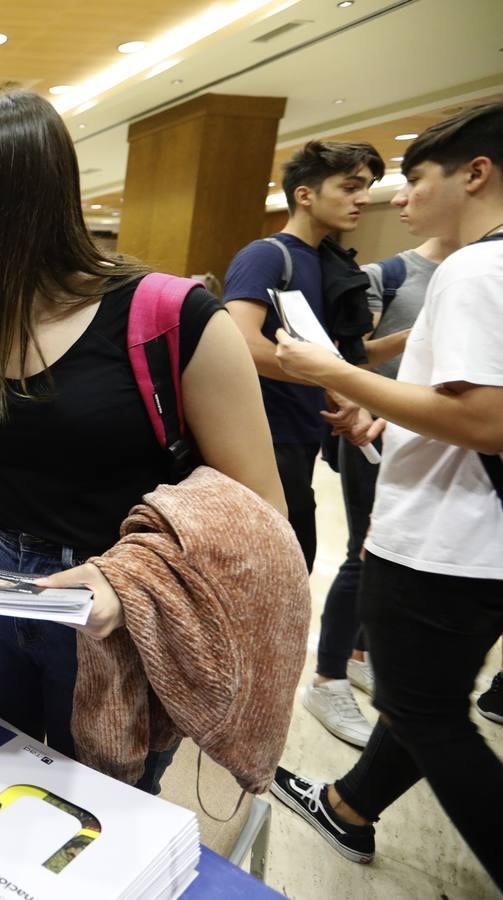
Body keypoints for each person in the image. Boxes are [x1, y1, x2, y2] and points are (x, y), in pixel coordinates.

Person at [0, 91, 286, 793]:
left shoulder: (173, 315)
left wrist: (127, 579)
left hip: (115, 619)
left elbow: (260, 514)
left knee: (97, 817)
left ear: (21, 190)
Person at [270, 102, 503, 887]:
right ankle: (346, 805)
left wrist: (330, 371)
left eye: (415, 180)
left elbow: (484, 419)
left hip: (445, 544)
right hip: (479, 535)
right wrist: (382, 422)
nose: (395, 200)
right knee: (424, 698)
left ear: (474, 174)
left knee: (426, 713)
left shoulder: (474, 268)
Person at [308, 235, 460, 747]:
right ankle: (327, 679)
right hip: (375, 431)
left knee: (391, 557)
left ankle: (359, 655)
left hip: (433, 441)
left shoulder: (471, 268)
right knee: (364, 553)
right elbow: (355, 359)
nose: (398, 199)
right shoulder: (388, 274)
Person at [224, 141, 384, 577]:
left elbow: (332, 355)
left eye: (367, 187)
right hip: (261, 440)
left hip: (301, 437)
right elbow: (241, 343)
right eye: (350, 187)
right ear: (305, 194)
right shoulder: (266, 255)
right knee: (271, 572)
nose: (363, 198)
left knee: (294, 566)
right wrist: (335, 383)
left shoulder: (327, 261)